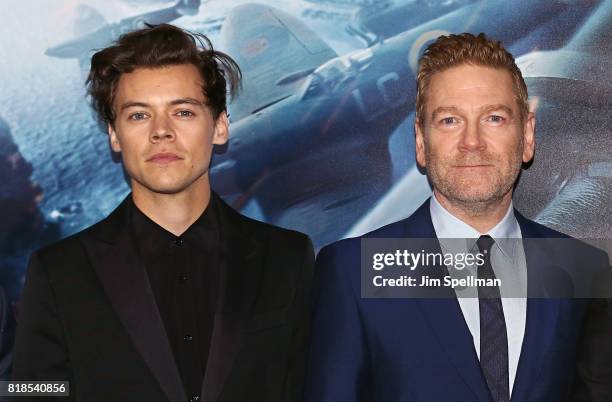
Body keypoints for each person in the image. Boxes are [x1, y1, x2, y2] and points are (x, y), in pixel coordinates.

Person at [12, 24, 314, 402]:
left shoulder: (287, 256)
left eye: (183, 112)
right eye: (139, 116)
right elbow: (29, 394)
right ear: (114, 135)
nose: (161, 132)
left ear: (219, 126)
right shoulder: (58, 272)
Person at [305, 33, 611, 402]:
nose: (472, 141)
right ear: (420, 142)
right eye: (450, 120)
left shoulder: (583, 268)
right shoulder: (354, 269)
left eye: (494, 118)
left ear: (527, 135)